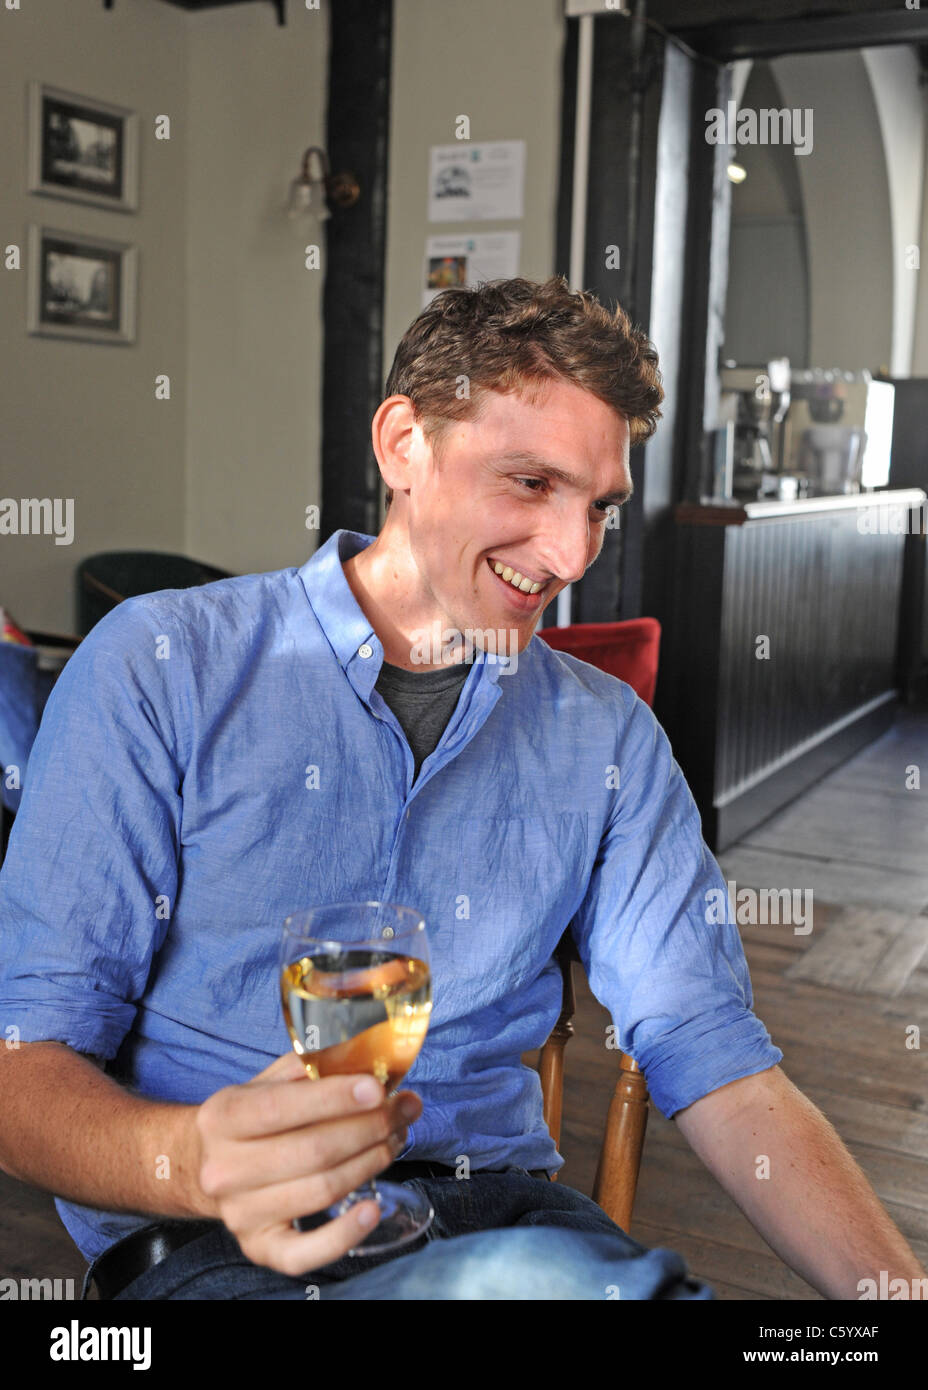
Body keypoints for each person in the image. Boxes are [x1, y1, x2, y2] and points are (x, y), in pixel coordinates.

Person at [0, 277, 923, 1302]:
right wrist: (196, 1158)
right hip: (223, 1249)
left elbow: (717, 1060)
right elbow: (20, 1064)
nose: (572, 554)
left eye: (598, 507)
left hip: (515, 1221)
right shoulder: (161, 665)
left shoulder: (606, 731)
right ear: (403, 444)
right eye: (529, 483)